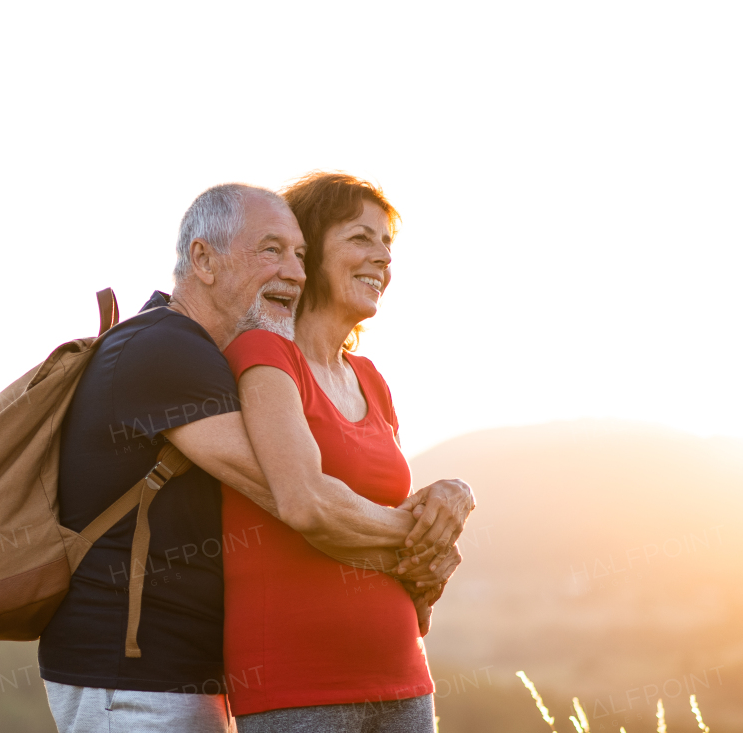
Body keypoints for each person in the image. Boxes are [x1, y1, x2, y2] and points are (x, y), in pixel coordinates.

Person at [38, 182, 472, 733]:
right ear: (203, 259)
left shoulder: (200, 355)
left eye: (298, 254)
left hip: (183, 670)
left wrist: (443, 512)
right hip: (131, 673)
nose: (293, 270)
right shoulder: (163, 350)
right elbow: (296, 498)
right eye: (271, 251)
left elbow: (320, 499)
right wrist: (419, 545)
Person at [222, 172, 466, 733]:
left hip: (403, 675)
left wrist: (450, 504)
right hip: (297, 684)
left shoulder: (371, 380)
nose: (382, 257)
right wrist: (419, 533)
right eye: (361, 238)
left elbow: (390, 527)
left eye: (388, 244)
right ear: (308, 250)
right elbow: (307, 505)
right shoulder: (264, 355)